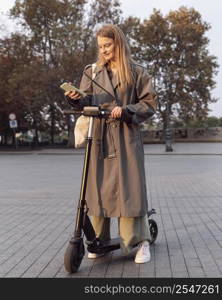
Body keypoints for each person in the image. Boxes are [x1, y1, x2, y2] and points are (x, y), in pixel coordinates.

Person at [65, 24, 157, 264]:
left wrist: (126, 110)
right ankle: (98, 240)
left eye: (108, 45)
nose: (103, 50)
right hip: (100, 137)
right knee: (98, 190)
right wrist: (76, 99)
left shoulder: (137, 72)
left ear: (119, 43)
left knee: (130, 189)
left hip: (126, 137)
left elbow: (149, 105)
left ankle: (139, 242)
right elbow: (86, 100)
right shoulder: (92, 72)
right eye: (100, 47)